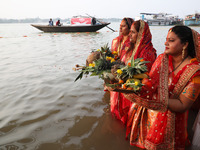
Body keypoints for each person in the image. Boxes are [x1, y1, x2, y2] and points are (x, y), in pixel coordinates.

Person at [121, 25, 200, 149]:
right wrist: (135, 86)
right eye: (166, 39)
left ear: (185, 44)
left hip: (173, 121)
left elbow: (183, 105)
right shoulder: (162, 59)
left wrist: (154, 100)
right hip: (151, 114)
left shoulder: (195, 72)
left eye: (171, 40)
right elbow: (150, 84)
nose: (166, 43)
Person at [110, 20, 157, 124]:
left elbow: (144, 78)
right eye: (130, 31)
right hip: (125, 89)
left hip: (136, 94)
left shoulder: (148, 53)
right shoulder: (130, 47)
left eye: (133, 32)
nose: (130, 34)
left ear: (141, 35)